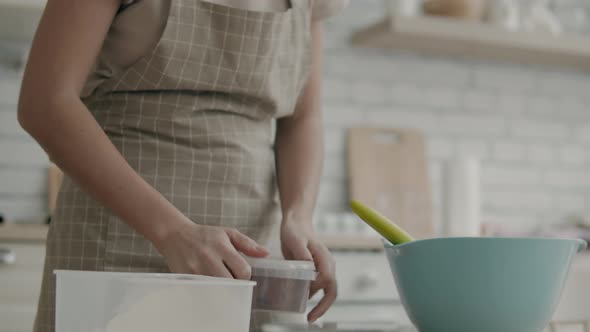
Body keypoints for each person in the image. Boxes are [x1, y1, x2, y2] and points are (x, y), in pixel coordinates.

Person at [17, 0, 348, 331]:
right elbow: (45, 103)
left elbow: (302, 118)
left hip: (249, 258)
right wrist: (171, 231)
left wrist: (299, 217)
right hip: (117, 238)